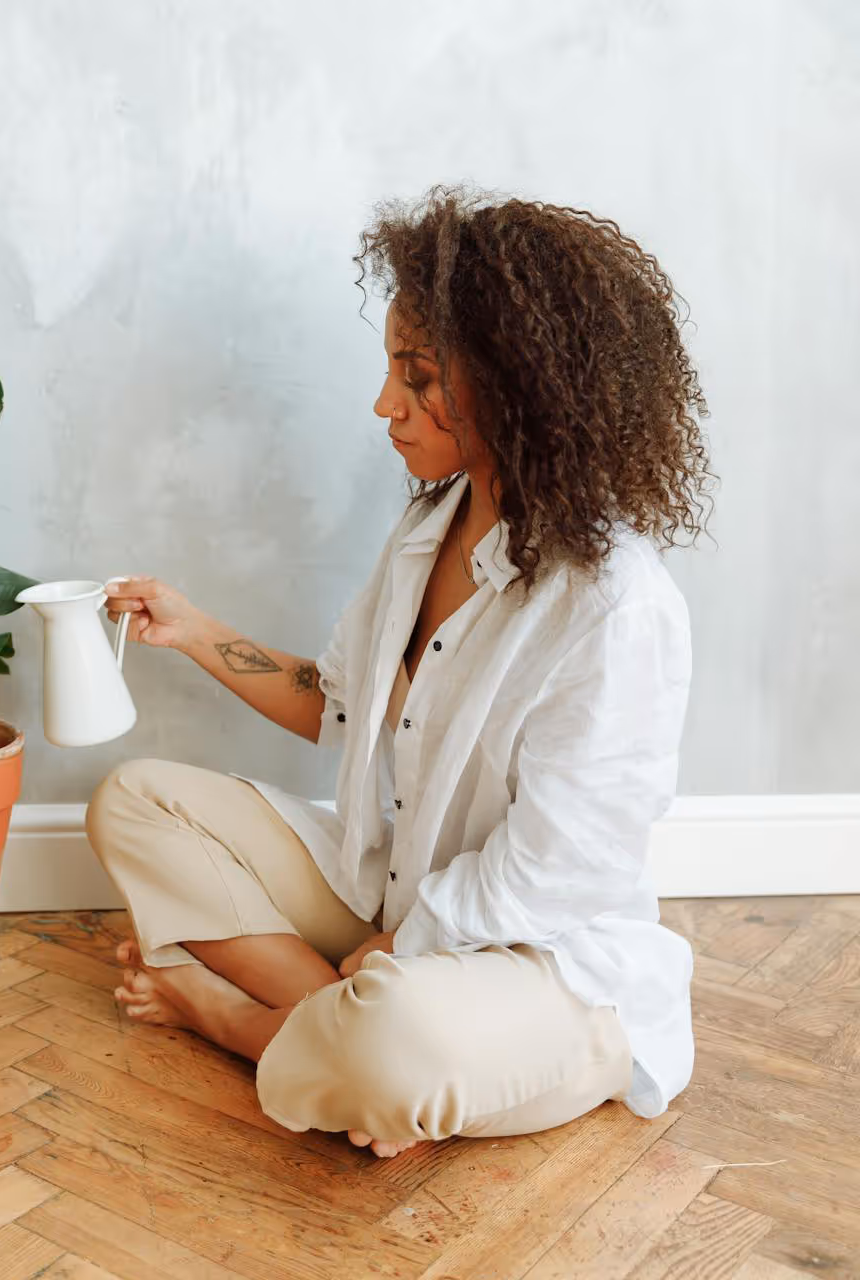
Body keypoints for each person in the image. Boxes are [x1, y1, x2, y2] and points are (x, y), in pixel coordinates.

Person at [84, 185, 714, 1158]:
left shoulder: (614, 605)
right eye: (391, 368)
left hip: (545, 970)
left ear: (517, 383)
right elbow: (341, 708)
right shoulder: (430, 523)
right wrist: (194, 630)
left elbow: (550, 875)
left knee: (396, 1036)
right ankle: (337, 1028)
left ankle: (242, 1022)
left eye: (415, 375)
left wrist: (397, 951)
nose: (385, 404)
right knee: (132, 800)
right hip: (393, 894)